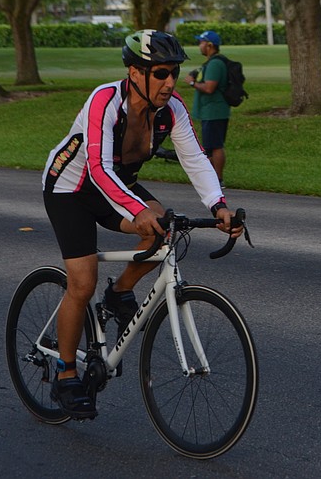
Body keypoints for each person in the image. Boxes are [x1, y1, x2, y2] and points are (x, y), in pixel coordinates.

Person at [41, 29, 242, 419]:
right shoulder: (105, 100)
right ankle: (66, 374)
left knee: (163, 230)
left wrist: (219, 205)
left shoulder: (174, 109)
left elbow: (196, 159)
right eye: (161, 72)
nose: (170, 82)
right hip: (71, 188)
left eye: (174, 72)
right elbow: (98, 167)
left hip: (120, 183)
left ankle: (119, 293)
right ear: (135, 73)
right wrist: (138, 211)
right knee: (82, 282)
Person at [184, 30, 230, 186]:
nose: (200, 46)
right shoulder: (211, 62)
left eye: (201, 42)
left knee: (215, 146)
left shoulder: (215, 64)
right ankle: (212, 179)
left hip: (214, 112)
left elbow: (209, 88)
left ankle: (217, 179)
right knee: (210, 146)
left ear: (209, 45)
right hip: (209, 112)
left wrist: (192, 82)